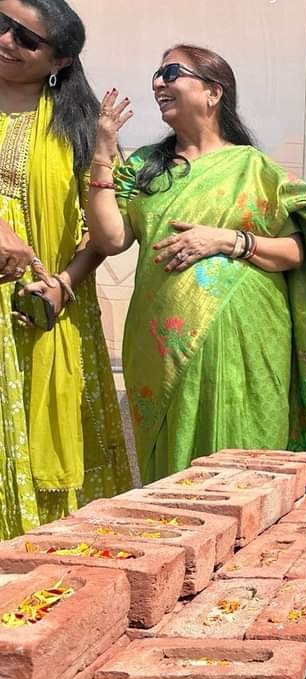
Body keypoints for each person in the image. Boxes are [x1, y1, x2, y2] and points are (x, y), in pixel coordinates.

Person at [86, 45, 306, 483]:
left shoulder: (255, 169)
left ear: (213, 92)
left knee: (243, 470)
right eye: (156, 74)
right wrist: (103, 152)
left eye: (171, 72)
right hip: (162, 346)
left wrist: (228, 240)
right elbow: (111, 238)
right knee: (172, 477)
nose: (158, 82)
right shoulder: (145, 167)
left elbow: (298, 252)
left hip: (248, 344)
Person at [0, 0, 131, 539]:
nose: (7, 41)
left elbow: (105, 238)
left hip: (41, 309)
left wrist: (64, 284)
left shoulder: (76, 127)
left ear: (59, 61)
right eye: (2, 25)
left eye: (25, 39)